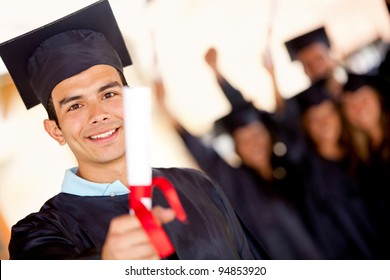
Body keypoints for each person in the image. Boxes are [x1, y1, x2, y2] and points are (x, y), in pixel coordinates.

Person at [0, 0, 256, 260]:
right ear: (55, 131)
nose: (98, 115)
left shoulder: (198, 185)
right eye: (75, 105)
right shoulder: (40, 233)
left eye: (109, 94)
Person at [155, 48, 323, 259]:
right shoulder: (237, 182)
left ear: (269, 136)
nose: (254, 144)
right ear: (236, 148)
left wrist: (219, 74)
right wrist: (165, 107)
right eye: (244, 140)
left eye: (258, 135)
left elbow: (258, 111)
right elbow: (204, 154)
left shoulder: (291, 165)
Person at [294, 80, 376, 259]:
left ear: (339, 115)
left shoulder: (359, 153)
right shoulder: (311, 181)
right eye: (315, 119)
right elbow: (327, 239)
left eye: (329, 114)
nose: (325, 123)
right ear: (306, 127)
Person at [341, 72, 390, 259]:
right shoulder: (360, 159)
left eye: (364, 99)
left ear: (378, 98)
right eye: (350, 105)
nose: (358, 108)